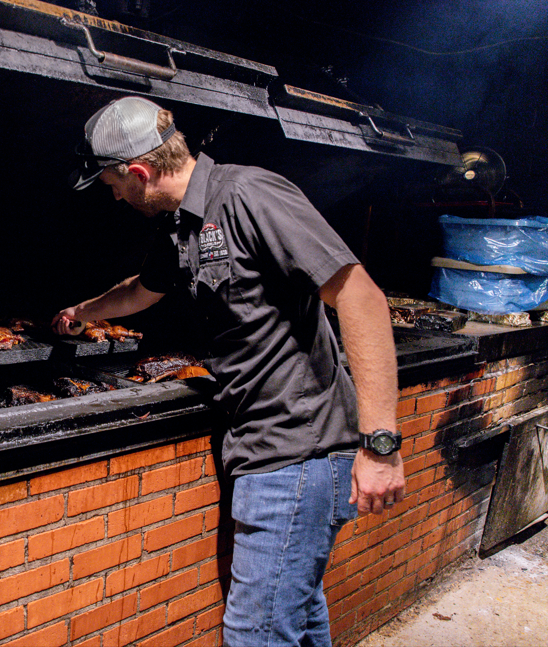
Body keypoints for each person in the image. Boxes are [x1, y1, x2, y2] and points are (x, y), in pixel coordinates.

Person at [52, 96, 405, 647]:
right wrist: (82, 313)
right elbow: (143, 290)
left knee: (255, 634)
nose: (115, 196)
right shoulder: (180, 226)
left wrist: (380, 443)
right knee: (301, 618)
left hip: (296, 455)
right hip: (267, 451)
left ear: (139, 172)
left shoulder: (248, 196)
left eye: (113, 185)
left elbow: (361, 297)